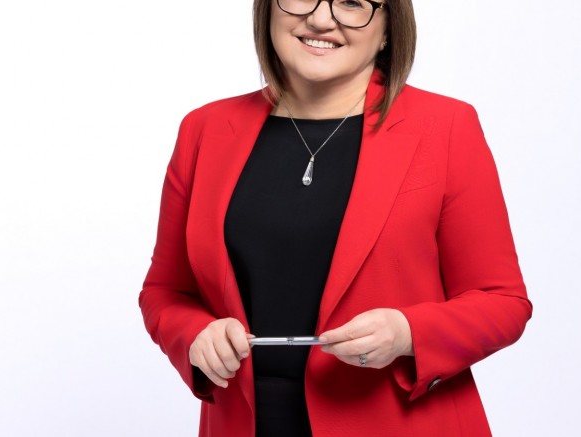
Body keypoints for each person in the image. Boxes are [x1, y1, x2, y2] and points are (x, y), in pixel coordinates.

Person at [138, 0, 532, 435]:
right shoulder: (204, 129)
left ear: (388, 29)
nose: (321, 19)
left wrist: (407, 332)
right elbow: (165, 291)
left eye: (351, 2)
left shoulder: (446, 126)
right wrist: (196, 334)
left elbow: (503, 301)